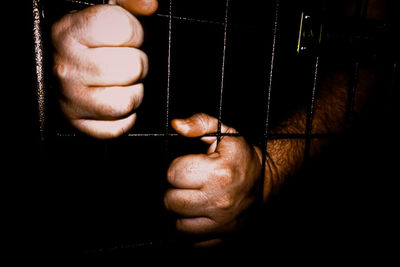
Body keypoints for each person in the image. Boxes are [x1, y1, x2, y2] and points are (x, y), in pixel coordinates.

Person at [50, 0, 393, 251]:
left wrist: (270, 167)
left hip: (289, 204)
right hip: (96, 199)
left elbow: (372, 55)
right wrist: (54, 56)